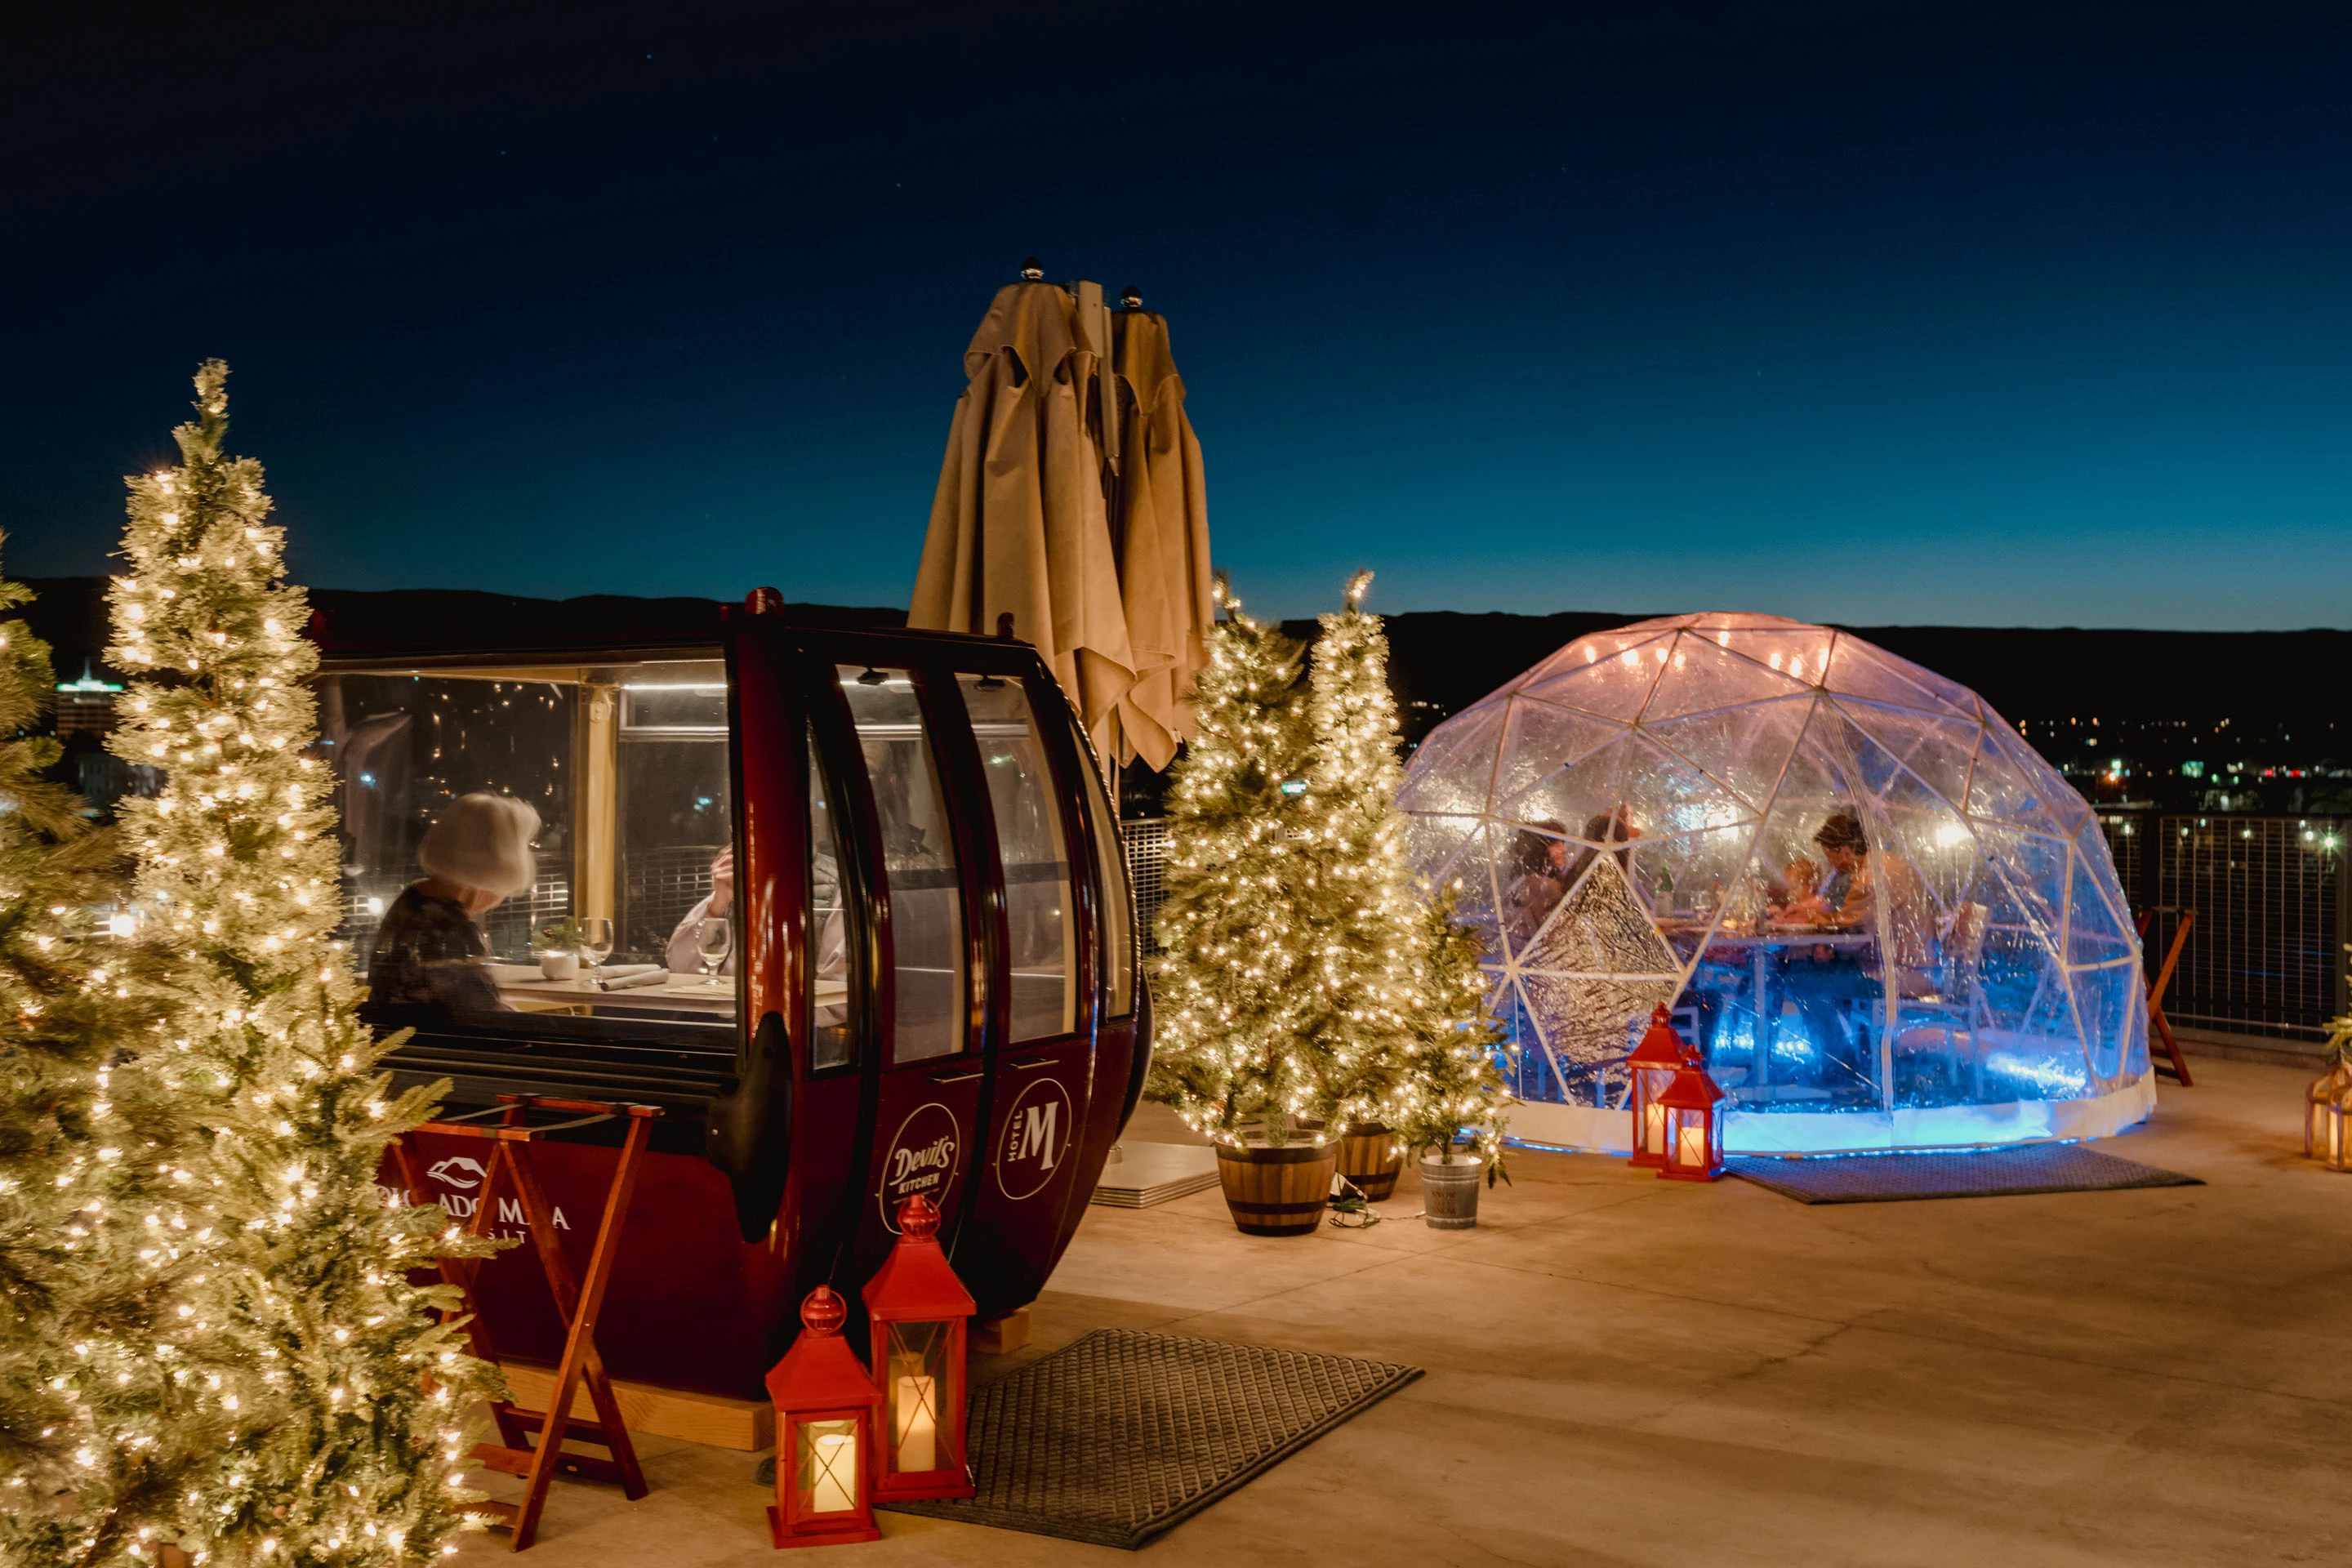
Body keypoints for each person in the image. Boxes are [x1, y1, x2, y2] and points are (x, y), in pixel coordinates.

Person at [365, 793, 540, 1020]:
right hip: (438, 1049)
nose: (501, 898)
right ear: (490, 874)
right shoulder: (456, 930)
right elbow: (486, 1020)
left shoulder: (409, 901)